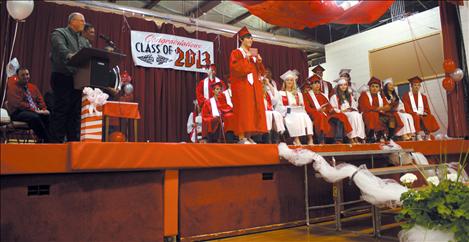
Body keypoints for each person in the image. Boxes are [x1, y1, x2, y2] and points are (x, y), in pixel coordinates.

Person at [49, 12, 91, 142]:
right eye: (82, 21)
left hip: (78, 81)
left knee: (75, 113)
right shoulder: (59, 33)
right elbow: (60, 48)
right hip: (62, 77)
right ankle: (56, 144)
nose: (84, 24)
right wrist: (70, 55)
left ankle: (73, 143)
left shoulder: (84, 41)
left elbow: (89, 54)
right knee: (61, 111)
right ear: (72, 21)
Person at [229, 26, 267, 144]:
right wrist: (247, 58)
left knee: (253, 110)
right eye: (248, 38)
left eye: (251, 38)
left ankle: (249, 135)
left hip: (253, 87)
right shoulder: (236, 53)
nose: (251, 40)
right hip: (242, 86)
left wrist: (259, 62)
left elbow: (260, 72)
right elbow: (236, 69)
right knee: (243, 110)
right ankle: (241, 137)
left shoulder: (253, 54)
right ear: (241, 39)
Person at [304, 74, 352, 144]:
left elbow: (328, 106)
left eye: (318, 83)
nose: (317, 85)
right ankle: (321, 140)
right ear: (311, 85)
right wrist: (318, 110)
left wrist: (331, 110)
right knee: (320, 116)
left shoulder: (322, 95)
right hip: (315, 114)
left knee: (341, 116)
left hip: (327, 113)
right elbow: (307, 108)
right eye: (314, 83)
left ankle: (338, 139)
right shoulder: (307, 95)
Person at [6, 68, 50, 143]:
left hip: (33, 111)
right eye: (23, 75)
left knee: (48, 116)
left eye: (27, 74)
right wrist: (35, 110)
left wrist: (43, 109)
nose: (26, 76)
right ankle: (47, 140)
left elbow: (40, 100)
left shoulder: (33, 87)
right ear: (18, 76)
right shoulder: (13, 87)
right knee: (35, 117)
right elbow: (18, 104)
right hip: (18, 112)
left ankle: (43, 141)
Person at [278, 70, 314, 146]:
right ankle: (296, 139)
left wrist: (300, 105)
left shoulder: (298, 94)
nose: (289, 82)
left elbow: (303, 107)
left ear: (294, 82)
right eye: (287, 80)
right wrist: (289, 107)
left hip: (299, 112)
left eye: (291, 80)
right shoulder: (280, 93)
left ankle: (310, 139)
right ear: (284, 82)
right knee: (294, 117)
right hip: (288, 112)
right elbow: (279, 107)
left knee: (306, 117)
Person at [401, 76, 440, 140]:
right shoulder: (406, 96)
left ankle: (427, 135)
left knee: (430, 116)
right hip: (412, 114)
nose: (417, 87)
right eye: (415, 85)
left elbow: (427, 108)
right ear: (411, 86)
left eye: (418, 85)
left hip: (422, 114)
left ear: (420, 87)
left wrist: (426, 113)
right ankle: (418, 135)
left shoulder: (423, 97)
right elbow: (407, 108)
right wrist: (414, 113)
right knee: (416, 117)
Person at [330, 79, 366, 144]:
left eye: (345, 85)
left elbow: (354, 106)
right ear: (338, 87)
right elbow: (333, 108)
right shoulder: (334, 97)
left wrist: (351, 109)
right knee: (353, 115)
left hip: (350, 112)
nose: (343, 86)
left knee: (357, 115)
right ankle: (351, 138)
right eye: (341, 85)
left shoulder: (349, 96)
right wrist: (343, 110)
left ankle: (358, 137)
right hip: (341, 113)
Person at [358, 77, 391, 143]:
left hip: (378, 113)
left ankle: (388, 135)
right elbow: (367, 107)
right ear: (369, 87)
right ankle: (371, 135)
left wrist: (382, 108)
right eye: (372, 86)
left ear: (379, 88)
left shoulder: (381, 95)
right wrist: (380, 108)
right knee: (373, 114)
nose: (374, 88)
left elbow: (387, 106)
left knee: (393, 115)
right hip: (366, 113)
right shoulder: (364, 94)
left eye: (376, 86)